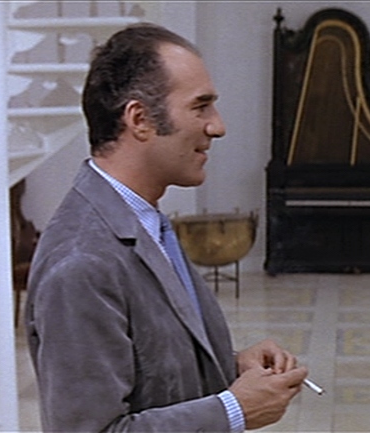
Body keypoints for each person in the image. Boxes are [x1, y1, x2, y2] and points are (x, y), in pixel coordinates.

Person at [25, 23, 308, 432]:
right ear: (140, 119)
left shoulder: (144, 221)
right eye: (201, 107)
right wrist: (233, 410)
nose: (218, 126)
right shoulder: (82, 263)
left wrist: (230, 367)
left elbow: (147, 371)